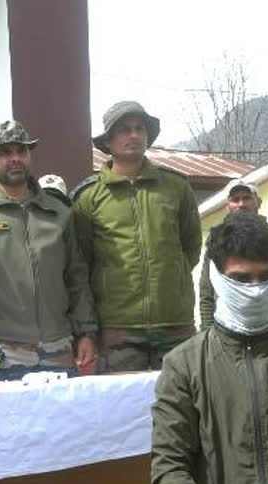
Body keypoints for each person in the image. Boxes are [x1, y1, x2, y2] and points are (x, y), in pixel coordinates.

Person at [151, 212, 268, 484]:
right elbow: (169, 464)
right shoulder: (184, 365)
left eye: (267, 276)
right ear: (217, 278)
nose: (256, 289)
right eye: (242, 279)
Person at [0, 120, 97, 380]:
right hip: (1, 355)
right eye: (4, 153)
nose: (15, 159)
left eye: (21, 151)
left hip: (59, 352)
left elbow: (77, 278)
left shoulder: (59, 213)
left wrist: (87, 333)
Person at [71, 101, 201, 372]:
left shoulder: (176, 187)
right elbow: (80, 265)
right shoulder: (88, 196)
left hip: (175, 325)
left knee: (184, 407)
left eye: (139, 129)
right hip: (118, 329)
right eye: (124, 130)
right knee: (122, 409)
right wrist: (88, 330)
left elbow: (190, 247)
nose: (133, 135)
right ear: (108, 140)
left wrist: (170, 281)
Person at [199, 179, 268, 328]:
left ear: (258, 202)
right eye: (235, 199)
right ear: (227, 206)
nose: (241, 204)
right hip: (228, 331)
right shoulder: (217, 244)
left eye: (247, 198)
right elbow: (206, 292)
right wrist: (207, 329)